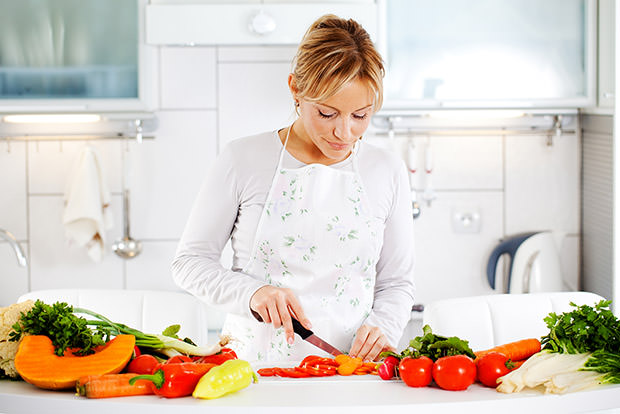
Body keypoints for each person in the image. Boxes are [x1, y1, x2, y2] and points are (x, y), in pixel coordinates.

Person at [172, 14, 415, 363]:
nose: (344, 133)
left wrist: (385, 327)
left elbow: (397, 283)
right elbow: (189, 263)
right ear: (295, 89)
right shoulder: (243, 159)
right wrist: (252, 292)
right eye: (327, 114)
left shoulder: (386, 170)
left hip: (351, 371)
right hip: (252, 372)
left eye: (360, 116)